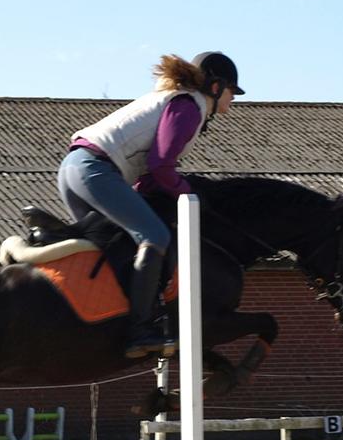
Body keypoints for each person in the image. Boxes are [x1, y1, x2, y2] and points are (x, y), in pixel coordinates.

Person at [55, 51, 244, 359]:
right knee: (155, 237)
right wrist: (189, 195)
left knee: (115, 248)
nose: (233, 99)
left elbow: (151, 174)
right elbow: (161, 165)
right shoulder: (189, 106)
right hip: (96, 171)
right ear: (215, 87)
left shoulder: (174, 99)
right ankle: (141, 330)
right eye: (232, 91)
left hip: (73, 170)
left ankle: (107, 322)